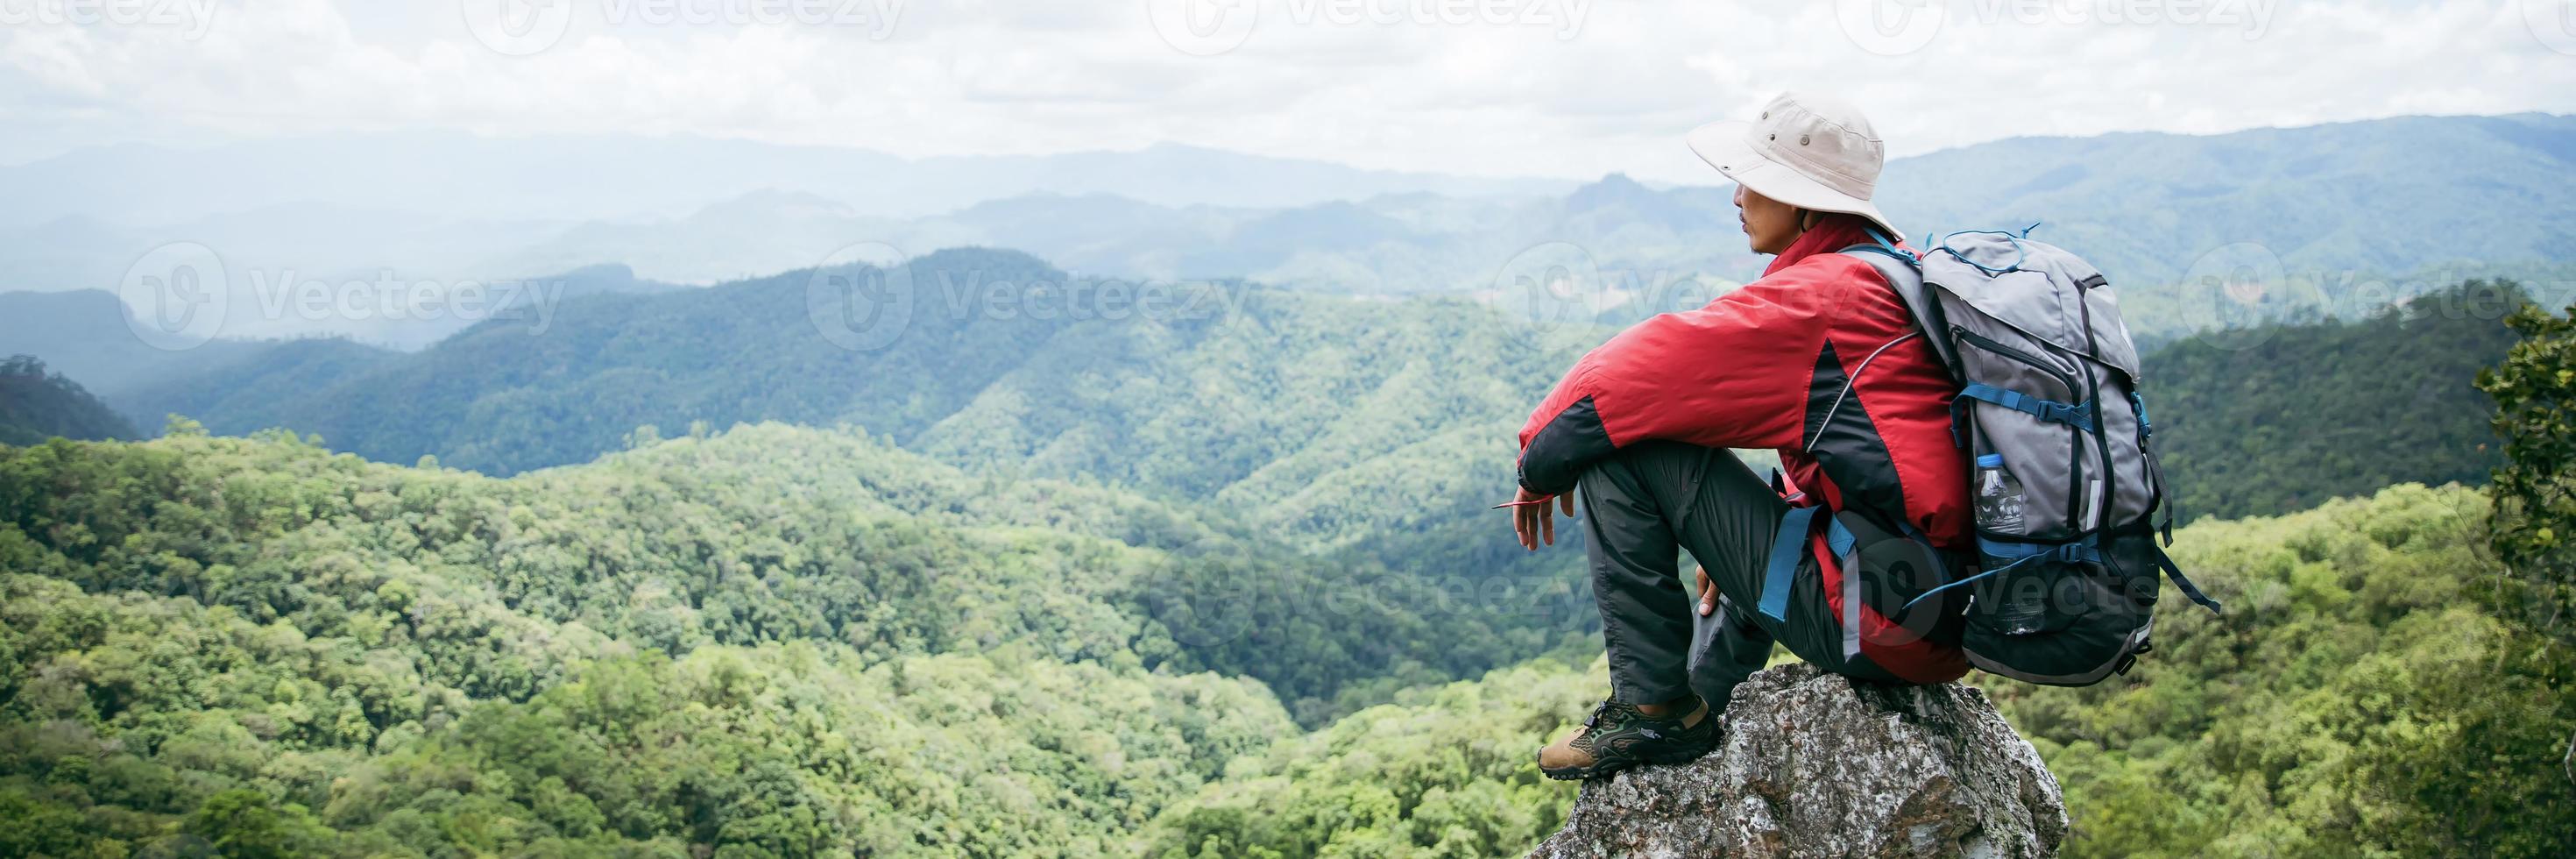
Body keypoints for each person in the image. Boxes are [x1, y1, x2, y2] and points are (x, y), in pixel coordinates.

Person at [1511, 91, 1976, 780]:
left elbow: (1621, 383)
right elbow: (1877, 452)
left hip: (1881, 621)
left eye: (1757, 180)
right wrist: (1737, 539)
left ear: (1805, 203)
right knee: (1763, 508)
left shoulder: (1821, 299)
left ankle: (1657, 713)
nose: (1737, 196)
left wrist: (1537, 464)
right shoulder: (1898, 273)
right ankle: (1705, 705)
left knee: (1623, 448)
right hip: (1941, 609)